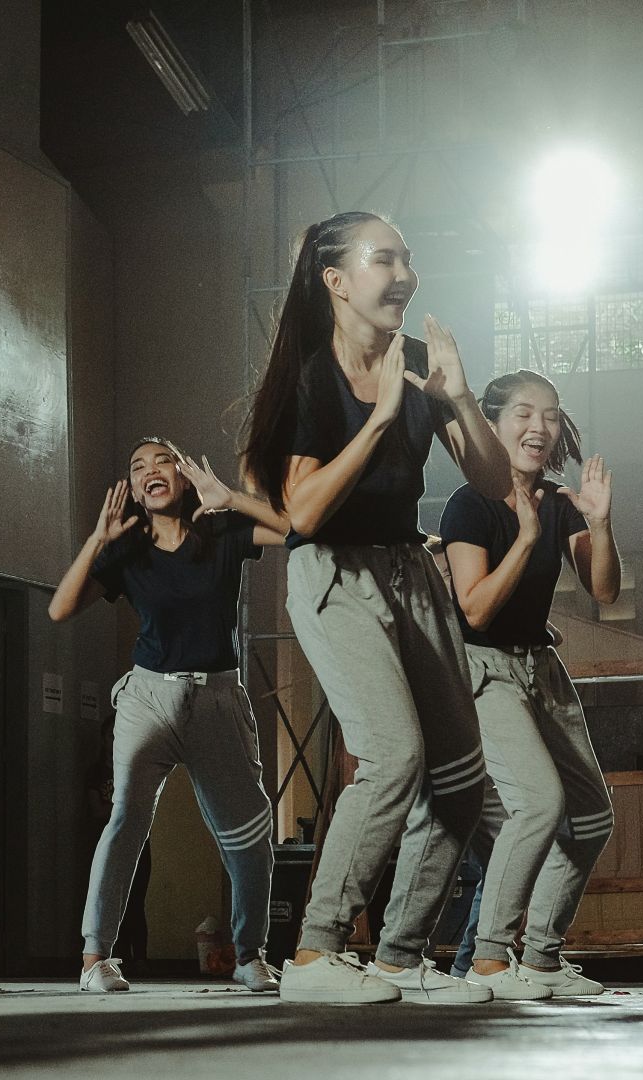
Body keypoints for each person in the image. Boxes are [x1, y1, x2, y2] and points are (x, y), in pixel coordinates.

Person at [239, 211, 512, 1004]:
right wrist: (385, 417)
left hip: (409, 573)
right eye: (385, 258)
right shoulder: (309, 377)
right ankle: (315, 954)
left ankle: (400, 955)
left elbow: (492, 484)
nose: (405, 274)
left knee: (461, 772)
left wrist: (457, 402)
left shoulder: (420, 363)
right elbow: (304, 514)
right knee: (392, 754)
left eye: (409, 258)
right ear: (336, 279)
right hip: (335, 576)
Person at [48, 438, 287, 993]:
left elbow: (297, 528)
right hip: (148, 696)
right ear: (133, 489)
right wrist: (96, 541)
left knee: (249, 829)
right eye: (138, 467)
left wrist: (231, 497)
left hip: (218, 698)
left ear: (184, 477)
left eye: (164, 462)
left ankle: (250, 954)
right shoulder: (126, 548)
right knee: (125, 817)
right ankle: (94, 959)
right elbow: (60, 609)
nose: (151, 471)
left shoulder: (221, 533)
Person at [438, 370, 620, 999]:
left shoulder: (562, 501)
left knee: (593, 816)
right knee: (539, 803)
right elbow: (477, 609)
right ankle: (490, 960)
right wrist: (528, 537)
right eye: (522, 413)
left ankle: (540, 957)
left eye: (549, 414)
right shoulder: (469, 503)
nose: (538, 427)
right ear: (490, 425)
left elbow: (604, 591)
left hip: (541, 668)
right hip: (483, 667)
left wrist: (597, 523)